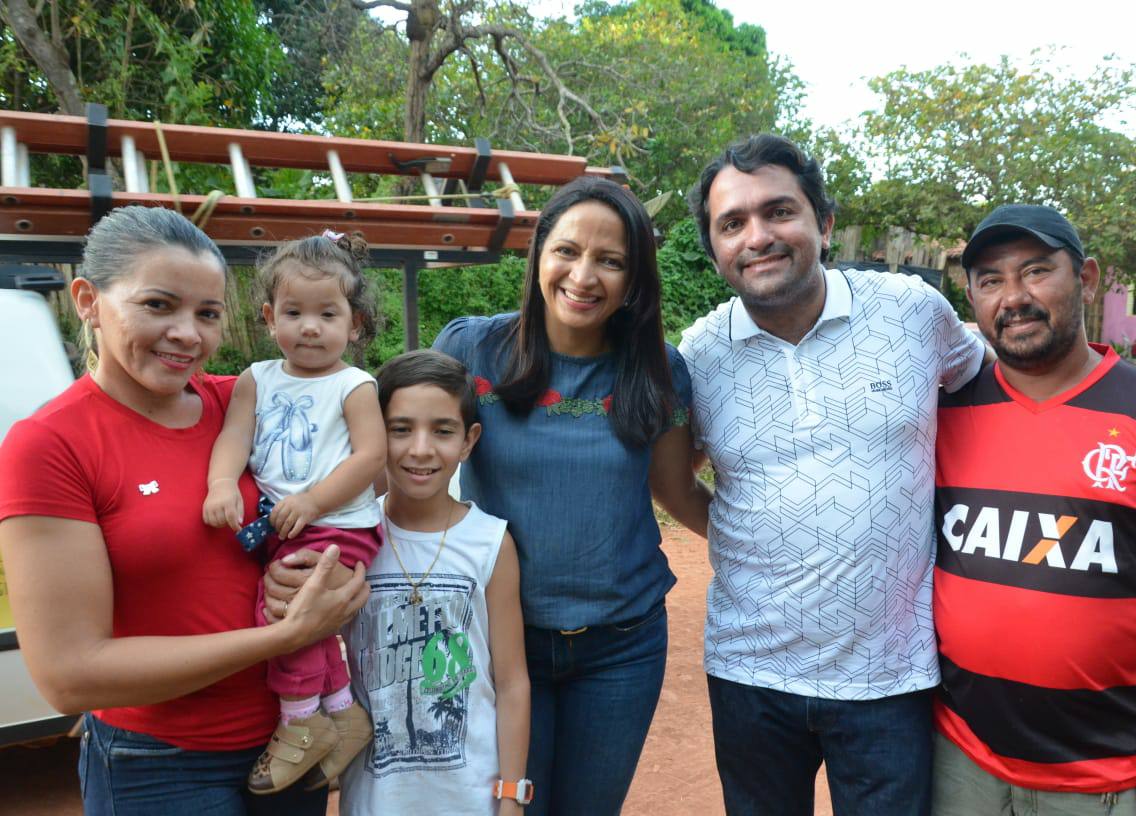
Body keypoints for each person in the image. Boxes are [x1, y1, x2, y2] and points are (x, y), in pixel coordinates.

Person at [0, 205, 368, 815]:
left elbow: (367, 472)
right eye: (158, 305)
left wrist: (326, 575)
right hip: (160, 766)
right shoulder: (51, 445)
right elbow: (70, 674)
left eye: (208, 313)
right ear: (87, 300)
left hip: (288, 744)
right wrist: (284, 634)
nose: (187, 334)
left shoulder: (243, 400)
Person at [670, 133, 990, 816]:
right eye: (732, 224)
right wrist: (739, 534)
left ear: (825, 223)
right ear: (715, 247)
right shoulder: (697, 357)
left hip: (891, 676)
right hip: (749, 671)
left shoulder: (912, 313)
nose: (758, 236)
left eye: (779, 211)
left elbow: (982, 384)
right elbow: (671, 483)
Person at [933, 204, 1136, 815]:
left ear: (1087, 277)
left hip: (1110, 778)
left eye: (1036, 271)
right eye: (990, 280)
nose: (1013, 297)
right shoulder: (942, 415)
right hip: (958, 760)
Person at [430, 175, 701, 816]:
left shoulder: (660, 370)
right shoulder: (471, 349)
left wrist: (777, 548)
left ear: (635, 280)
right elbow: (407, 465)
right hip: (499, 639)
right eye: (568, 251)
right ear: (539, 253)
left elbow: (677, 492)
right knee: (503, 807)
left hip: (622, 646)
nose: (584, 276)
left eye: (611, 261)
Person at [203, 232, 386, 794]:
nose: (310, 326)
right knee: (306, 619)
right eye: (294, 312)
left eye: (327, 314)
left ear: (353, 324)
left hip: (340, 523)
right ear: (269, 316)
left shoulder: (354, 385)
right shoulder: (256, 379)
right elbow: (235, 438)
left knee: (286, 614)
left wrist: (312, 501)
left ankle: (300, 722)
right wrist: (219, 483)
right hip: (285, 524)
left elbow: (371, 457)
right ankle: (339, 711)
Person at [339, 349, 531, 815]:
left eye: (442, 431)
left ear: (468, 441)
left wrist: (512, 795)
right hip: (374, 798)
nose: (420, 449)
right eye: (400, 429)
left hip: (471, 797)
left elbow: (510, 682)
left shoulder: (490, 542)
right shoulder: (350, 541)